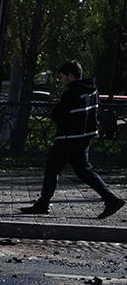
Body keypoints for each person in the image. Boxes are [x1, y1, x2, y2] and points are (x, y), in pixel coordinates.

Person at [20, 60, 124, 218]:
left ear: (70, 75)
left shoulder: (71, 93)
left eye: (62, 77)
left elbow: (56, 114)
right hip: (85, 136)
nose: (61, 81)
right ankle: (111, 199)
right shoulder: (93, 90)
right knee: (84, 170)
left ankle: (43, 203)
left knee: (52, 168)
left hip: (68, 137)